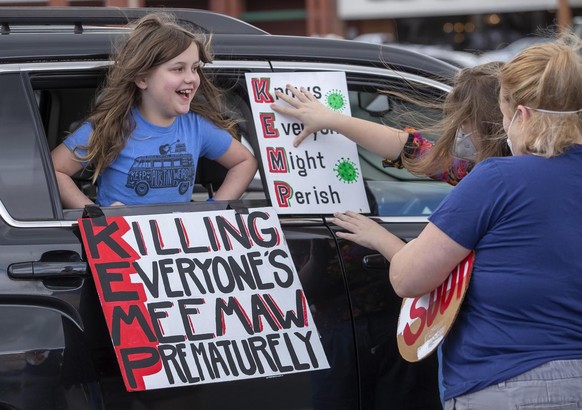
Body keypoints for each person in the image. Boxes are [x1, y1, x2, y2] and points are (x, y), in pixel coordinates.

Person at [332, 33, 582, 408]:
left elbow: (409, 278)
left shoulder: (496, 179)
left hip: (506, 381)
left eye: (504, 114)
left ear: (522, 115)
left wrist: (382, 238)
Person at [52, 12, 257, 208]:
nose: (192, 78)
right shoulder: (112, 125)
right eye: (178, 68)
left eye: (194, 68)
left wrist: (215, 208)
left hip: (179, 241)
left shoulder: (196, 126)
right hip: (122, 241)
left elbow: (245, 161)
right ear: (142, 78)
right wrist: (94, 215)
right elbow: (54, 169)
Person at [271, 61, 509, 187]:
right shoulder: (472, 171)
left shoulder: (493, 181)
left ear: (492, 126)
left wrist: (377, 237)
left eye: (464, 125)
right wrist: (332, 120)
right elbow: (411, 149)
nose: (460, 133)